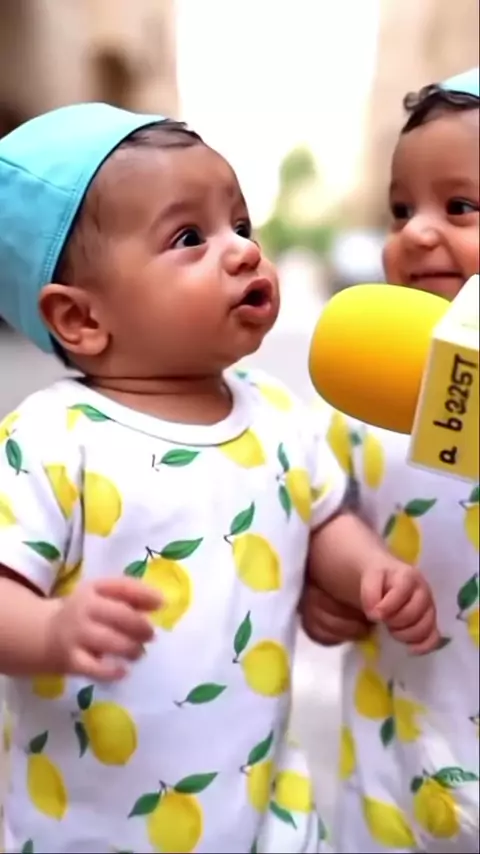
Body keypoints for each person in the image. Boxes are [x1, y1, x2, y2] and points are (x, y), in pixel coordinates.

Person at [0, 104, 439, 854]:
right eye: (189, 238)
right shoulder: (49, 440)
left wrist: (371, 572)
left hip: (265, 802)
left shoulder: (276, 412)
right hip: (97, 826)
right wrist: (49, 630)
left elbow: (324, 517)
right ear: (80, 319)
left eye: (240, 224)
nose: (242, 250)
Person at [301, 67, 480, 853]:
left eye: (461, 206)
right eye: (401, 209)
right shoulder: (361, 405)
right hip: (397, 755)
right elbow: (331, 517)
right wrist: (338, 585)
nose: (416, 233)